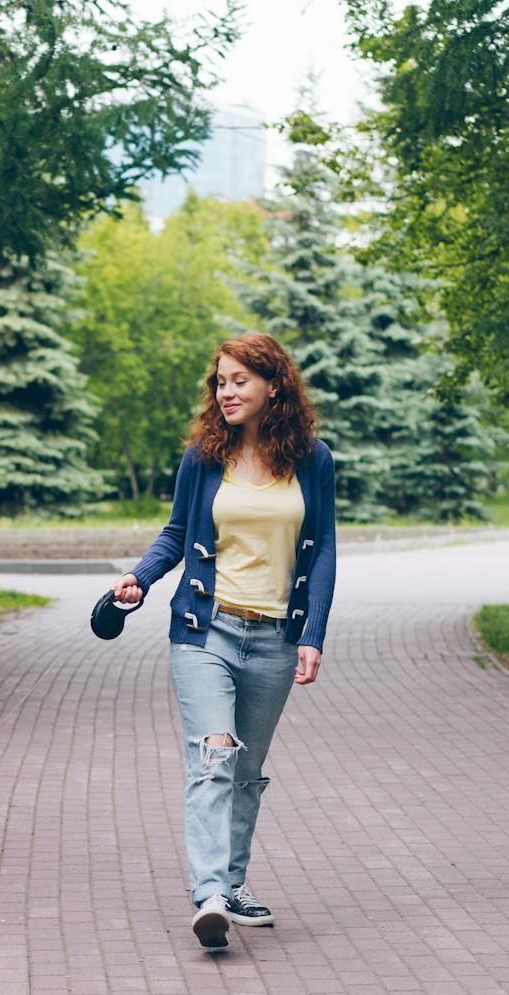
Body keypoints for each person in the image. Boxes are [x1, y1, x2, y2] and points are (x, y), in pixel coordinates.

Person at [114, 333, 336, 951]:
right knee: (214, 757)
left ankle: (233, 885)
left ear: (273, 385)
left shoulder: (312, 459)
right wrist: (140, 578)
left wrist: (312, 633)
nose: (227, 392)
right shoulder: (204, 456)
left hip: (275, 638)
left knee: (245, 770)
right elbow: (176, 533)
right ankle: (209, 894)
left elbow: (323, 555)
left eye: (240, 380)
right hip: (204, 629)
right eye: (220, 382)